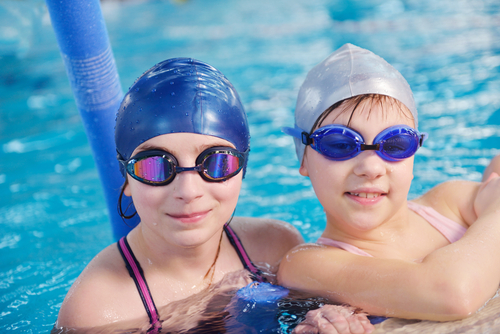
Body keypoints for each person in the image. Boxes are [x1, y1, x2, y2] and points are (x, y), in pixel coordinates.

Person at [54, 58, 375, 334]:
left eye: (216, 162)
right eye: (155, 166)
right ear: (126, 178)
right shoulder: (98, 309)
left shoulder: (275, 246)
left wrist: (327, 318)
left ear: (242, 169)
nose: (188, 191)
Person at [278, 43, 500, 323]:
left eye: (395, 144)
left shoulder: (450, 202)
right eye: (340, 144)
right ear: (304, 160)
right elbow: (453, 295)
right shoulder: (306, 265)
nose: (371, 168)